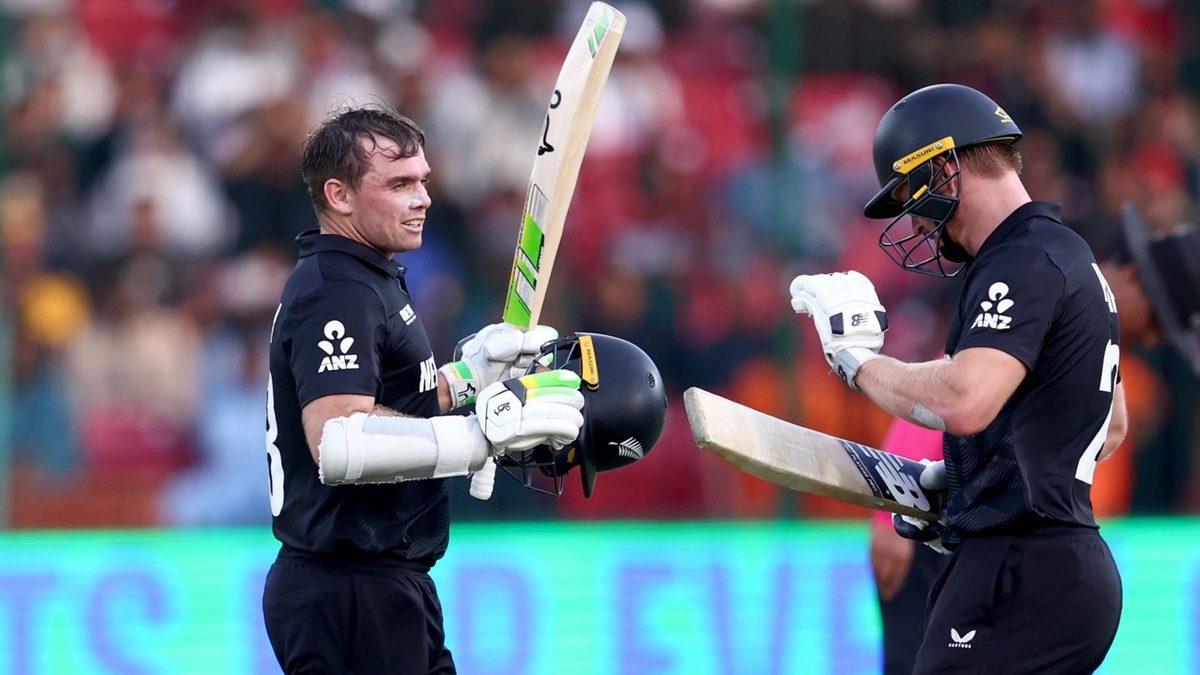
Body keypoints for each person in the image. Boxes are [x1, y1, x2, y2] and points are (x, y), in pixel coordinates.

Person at [790, 83, 1125, 673]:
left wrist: (859, 363)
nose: (917, 225)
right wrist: (983, 480)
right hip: (1064, 566)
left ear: (943, 169)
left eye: (910, 197)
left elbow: (966, 401)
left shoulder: (1020, 260)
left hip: (1019, 569)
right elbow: (1110, 423)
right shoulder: (1066, 254)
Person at [261, 105, 582, 674]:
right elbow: (338, 439)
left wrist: (472, 376)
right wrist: (478, 438)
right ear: (339, 195)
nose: (424, 199)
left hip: (379, 585)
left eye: (423, 181)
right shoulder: (339, 289)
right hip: (350, 589)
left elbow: (397, 400)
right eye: (400, 184)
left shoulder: (365, 275)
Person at [866, 203, 1200, 674]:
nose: (1150, 339)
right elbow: (952, 385)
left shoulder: (1068, 308)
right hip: (951, 523)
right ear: (1133, 279)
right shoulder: (1053, 292)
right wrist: (890, 514)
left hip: (988, 529)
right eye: (1157, 322)